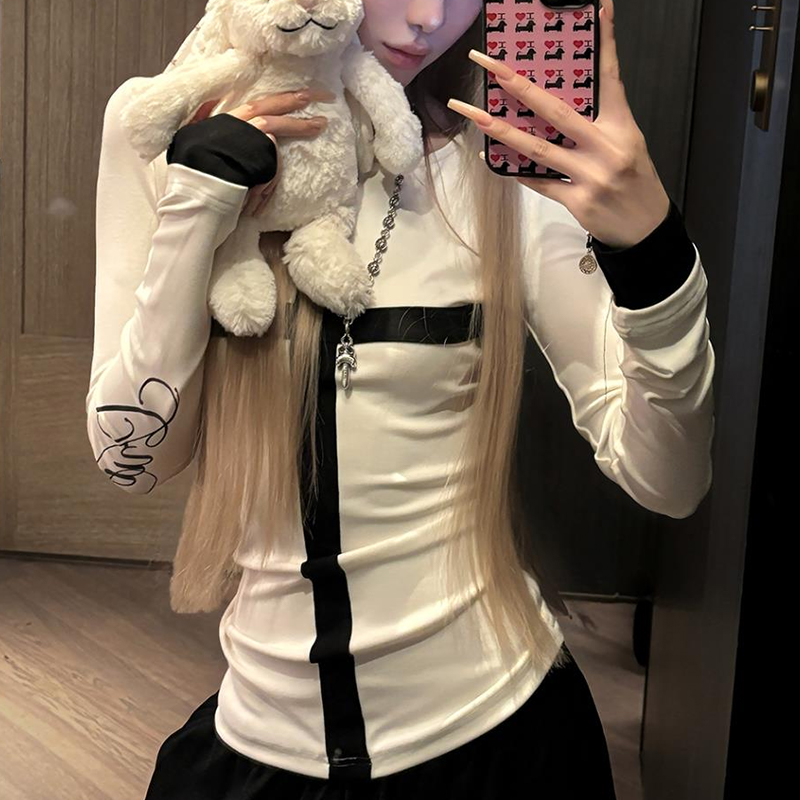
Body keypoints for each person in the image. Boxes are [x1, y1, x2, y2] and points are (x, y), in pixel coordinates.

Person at [85, 0, 714, 797]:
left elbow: (667, 478)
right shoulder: (158, 125)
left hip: (498, 740)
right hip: (258, 736)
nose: (427, 18)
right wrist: (197, 208)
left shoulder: (506, 173)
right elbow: (133, 462)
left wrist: (654, 257)